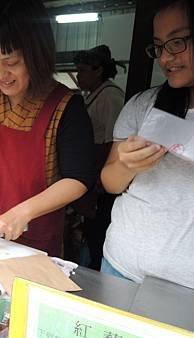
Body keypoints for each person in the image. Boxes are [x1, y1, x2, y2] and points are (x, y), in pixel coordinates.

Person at [0, 0, 96, 256]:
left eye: (11, 62)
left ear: (37, 55)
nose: (1, 74)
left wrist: (21, 212)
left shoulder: (66, 106)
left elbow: (79, 178)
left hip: (32, 239)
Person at [101, 0, 194, 288]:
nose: (166, 58)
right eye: (159, 46)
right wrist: (127, 165)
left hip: (185, 287)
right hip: (119, 266)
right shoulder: (144, 105)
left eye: (177, 42)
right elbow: (110, 182)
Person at [73, 45, 126, 270]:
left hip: (101, 175)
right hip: (89, 169)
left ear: (98, 71)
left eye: (83, 70)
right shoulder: (93, 95)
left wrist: (95, 184)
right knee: (87, 227)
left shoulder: (110, 96)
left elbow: (110, 144)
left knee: (97, 229)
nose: (78, 76)